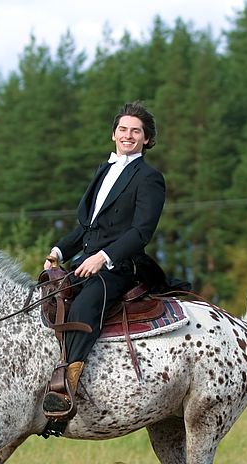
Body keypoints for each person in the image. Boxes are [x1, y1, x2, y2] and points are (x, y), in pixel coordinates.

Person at [41, 101, 166, 421]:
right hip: (85, 259)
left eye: (136, 131)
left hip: (122, 266)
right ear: (114, 135)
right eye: (123, 129)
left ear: (147, 140)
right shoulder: (104, 171)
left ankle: (66, 389)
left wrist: (103, 257)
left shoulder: (150, 178)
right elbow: (86, 227)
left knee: (84, 307)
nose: (128, 135)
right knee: (46, 300)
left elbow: (141, 232)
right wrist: (57, 252)